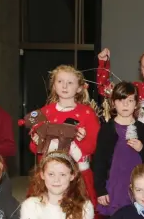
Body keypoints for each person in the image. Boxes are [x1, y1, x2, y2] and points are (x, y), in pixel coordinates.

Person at [28, 65, 100, 206]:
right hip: (49, 175)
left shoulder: (87, 113)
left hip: (77, 175)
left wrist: (82, 139)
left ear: (79, 88)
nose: (64, 86)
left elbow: (93, 145)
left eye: (70, 82)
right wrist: (37, 142)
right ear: (54, 86)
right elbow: (33, 148)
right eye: (60, 82)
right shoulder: (44, 112)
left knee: (78, 211)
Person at [92, 81, 144, 218]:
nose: (125, 105)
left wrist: (142, 148)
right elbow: (99, 162)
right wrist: (100, 190)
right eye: (121, 100)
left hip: (138, 187)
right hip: (115, 187)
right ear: (113, 103)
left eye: (130, 100)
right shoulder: (107, 129)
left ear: (136, 103)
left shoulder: (143, 129)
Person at [97, 48, 144, 134]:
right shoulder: (134, 88)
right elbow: (104, 89)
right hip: (133, 142)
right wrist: (103, 63)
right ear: (141, 70)